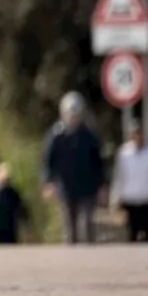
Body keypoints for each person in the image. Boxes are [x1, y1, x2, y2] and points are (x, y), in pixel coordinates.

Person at [41, 92, 106, 244]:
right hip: (66, 187)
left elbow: (98, 162)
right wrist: (48, 182)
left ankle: (91, 258)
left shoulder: (89, 135)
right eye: (70, 113)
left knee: (88, 224)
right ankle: (72, 260)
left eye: (76, 113)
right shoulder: (56, 135)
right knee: (70, 226)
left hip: (88, 187)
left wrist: (102, 185)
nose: (73, 117)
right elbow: (47, 161)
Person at [112, 121, 148, 243]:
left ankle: (147, 258)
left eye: (139, 133)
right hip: (130, 198)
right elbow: (119, 177)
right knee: (132, 232)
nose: (137, 136)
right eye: (135, 134)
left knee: (147, 231)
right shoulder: (124, 153)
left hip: (146, 197)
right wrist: (115, 197)